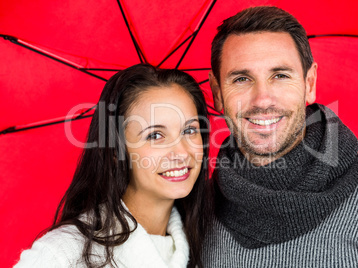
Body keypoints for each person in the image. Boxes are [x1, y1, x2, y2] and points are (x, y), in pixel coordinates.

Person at [202, 6, 358, 267]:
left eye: (280, 75)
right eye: (241, 79)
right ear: (217, 92)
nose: (262, 99)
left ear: (309, 84)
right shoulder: (198, 212)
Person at [15, 64, 212, 268]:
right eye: (155, 135)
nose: (181, 152)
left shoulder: (208, 247)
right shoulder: (62, 255)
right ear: (117, 150)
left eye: (189, 130)